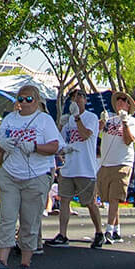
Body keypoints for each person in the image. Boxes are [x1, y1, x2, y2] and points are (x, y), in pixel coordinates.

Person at [0, 79, 62, 269]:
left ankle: (25, 263)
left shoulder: (44, 120)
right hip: (11, 174)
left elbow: (55, 146)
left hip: (36, 175)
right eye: (21, 99)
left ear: (36, 101)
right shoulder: (11, 119)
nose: (25, 102)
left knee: (30, 220)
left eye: (29, 99)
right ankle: (2, 260)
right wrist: (3, 143)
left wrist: (36, 147)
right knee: (7, 217)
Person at [49, 87, 103, 248]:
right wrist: (61, 125)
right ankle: (63, 234)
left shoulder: (91, 117)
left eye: (81, 96)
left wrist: (77, 117)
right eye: (74, 97)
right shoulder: (69, 120)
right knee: (64, 200)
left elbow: (86, 134)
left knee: (89, 202)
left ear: (85, 100)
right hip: (69, 167)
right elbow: (60, 140)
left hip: (85, 168)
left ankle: (99, 232)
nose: (78, 99)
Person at [97, 91, 135, 244]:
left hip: (123, 162)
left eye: (124, 100)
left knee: (115, 197)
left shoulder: (132, 121)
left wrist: (125, 122)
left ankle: (108, 230)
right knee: (109, 198)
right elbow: (95, 132)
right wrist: (102, 121)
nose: (120, 102)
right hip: (106, 163)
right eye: (118, 100)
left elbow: (129, 141)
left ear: (128, 105)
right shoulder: (110, 119)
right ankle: (116, 231)